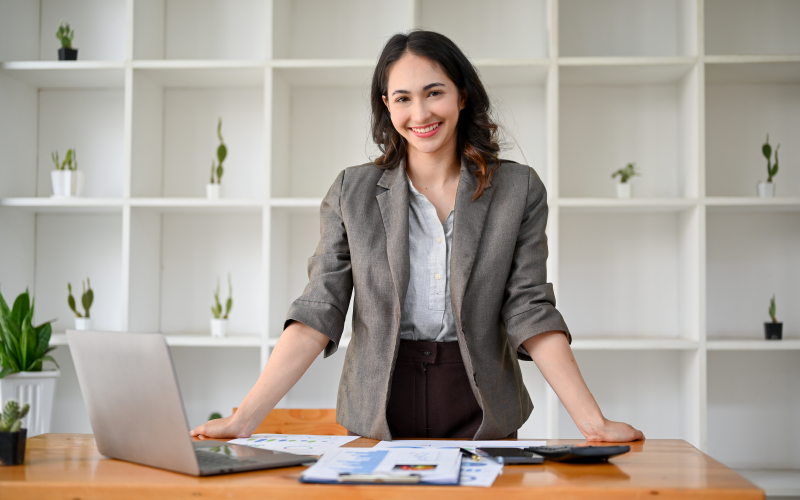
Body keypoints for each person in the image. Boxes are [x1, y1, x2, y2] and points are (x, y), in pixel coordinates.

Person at [192, 30, 644, 442]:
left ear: (462, 96)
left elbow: (529, 306)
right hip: (379, 405)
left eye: (434, 93)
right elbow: (320, 308)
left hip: (481, 403)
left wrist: (592, 423)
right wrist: (244, 419)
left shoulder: (518, 189)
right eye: (403, 98)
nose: (420, 113)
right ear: (386, 105)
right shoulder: (352, 191)